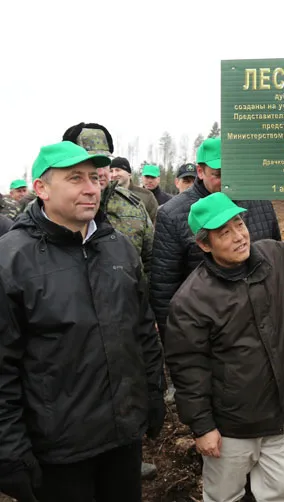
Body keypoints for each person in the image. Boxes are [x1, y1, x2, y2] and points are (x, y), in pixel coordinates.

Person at [0, 141, 164, 502]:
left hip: (123, 439)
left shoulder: (119, 247)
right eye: (75, 178)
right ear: (41, 189)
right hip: (59, 452)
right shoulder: (11, 260)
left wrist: (152, 394)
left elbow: (142, 330)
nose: (91, 188)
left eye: (94, 177)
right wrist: (10, 450)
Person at [165, 193, 284, 502]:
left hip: (280, 416)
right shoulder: (191, 300)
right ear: (205, 245)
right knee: (224, 496)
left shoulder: (273, 258)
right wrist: (202, 426)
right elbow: (188, 370)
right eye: (224, 232)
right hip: (231, 427)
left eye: (239, 224)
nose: (238, 236)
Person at [150, 137, 282, 340]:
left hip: (262, 325)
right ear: (200, 172)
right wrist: (177, 347)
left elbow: (276, 259)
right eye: (219, 175)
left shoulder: (259, 201)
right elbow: (164, 288)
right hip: (211, 332)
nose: (227, 180)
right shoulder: (173, 215)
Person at [63, 123, 155, 285]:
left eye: (104, 162)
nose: (100, 171)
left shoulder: (132, 205)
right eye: (90, 162)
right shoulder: (53, 209)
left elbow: (152, 262)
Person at [110, 157, 159, 223]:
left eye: (118, 170)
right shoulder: (105, 195)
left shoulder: (146, 196)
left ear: (129, 173)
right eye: (111, 171)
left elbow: (154, 224)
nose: (114, 174)